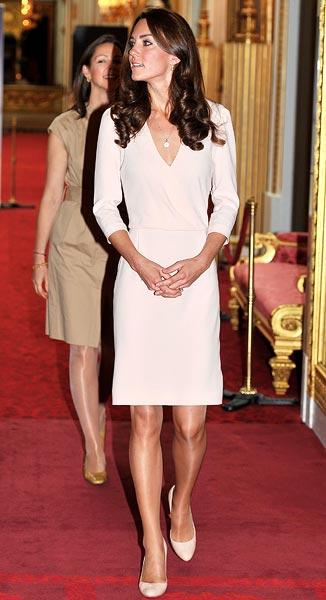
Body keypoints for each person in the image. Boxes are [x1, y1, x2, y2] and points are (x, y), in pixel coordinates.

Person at [94, 8, 239, 597]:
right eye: (132, 44)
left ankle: (183, 503)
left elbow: (226, 201)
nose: (133, 52)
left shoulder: (217, 119)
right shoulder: (114, 123)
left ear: (175, 53)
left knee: (191, 419)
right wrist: (143, 264)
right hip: (140, 274)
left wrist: (202, 262)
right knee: (145, 415)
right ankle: (153, 543)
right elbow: (106, 208)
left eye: (144, 43)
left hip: (195, 276)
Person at [32, 35, 122, 485]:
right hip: (74, 242)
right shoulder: (65, 126)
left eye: (116, 61)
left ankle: (99, 417)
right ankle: (92, 443)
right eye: (100, 60)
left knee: (111, 346)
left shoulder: (135, 122)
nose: (109, 67)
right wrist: (38, 257)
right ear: (86, 72)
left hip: (122, 244)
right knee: (83, 346)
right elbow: (51, 195)